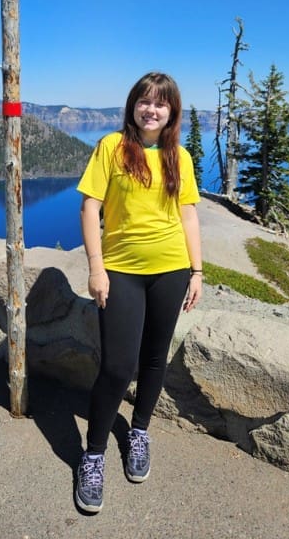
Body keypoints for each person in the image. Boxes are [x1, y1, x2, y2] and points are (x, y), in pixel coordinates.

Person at [75, 71, 202, 513]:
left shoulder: (178, 157)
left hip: (171, 270)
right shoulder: (112, 147)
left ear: (171, 112)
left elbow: (187, 216)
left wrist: (197, 271)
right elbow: (91, 206)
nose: (152, 109)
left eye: (161, 104)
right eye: (145, 101)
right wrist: (96, 267)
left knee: (154, 358)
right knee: (117, 366)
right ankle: (93, 456)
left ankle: (140, 431)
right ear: (133, 105)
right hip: (121, 271)